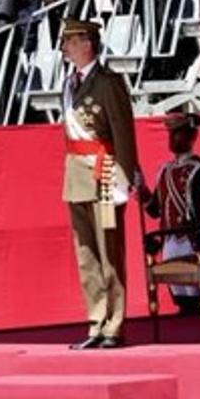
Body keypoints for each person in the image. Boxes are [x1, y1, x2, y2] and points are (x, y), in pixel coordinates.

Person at [59, 19, 139, 350]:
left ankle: (114, 323)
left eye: (70, 41)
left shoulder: (108, 83)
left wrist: (127, 174)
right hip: (76, 175)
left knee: (109, 251)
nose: (65, 48)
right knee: (86, 253)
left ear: (87, 44)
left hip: (104, 174)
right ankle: (96, 319)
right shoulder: (69, 83)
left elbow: (122, 130)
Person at [139, 114, 200, 314]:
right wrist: (142, 190)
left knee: (195, 295)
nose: (173, 139)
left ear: (192, 137)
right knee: (180, 297)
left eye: (178, 134)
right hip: (169, 240)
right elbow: (154, 210)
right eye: (172, 134)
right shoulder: (164, 171)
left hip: (191, 239)